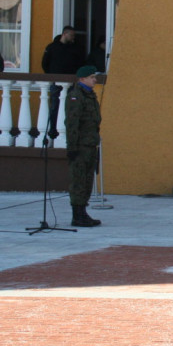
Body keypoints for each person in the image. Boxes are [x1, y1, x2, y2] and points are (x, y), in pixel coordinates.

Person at [65, 65, 102, 227]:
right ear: (82, 79)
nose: (95, 80)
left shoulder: (90, 96)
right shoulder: (76, 96)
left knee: (87, 180)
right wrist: (72, 147)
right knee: (79, 180)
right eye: (92, 77)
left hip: (90, 144)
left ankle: (83, 212)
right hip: (80, 146)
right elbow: (72, 124)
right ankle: (77, 215)